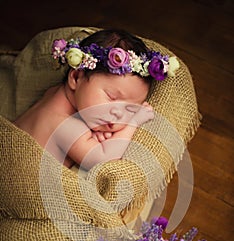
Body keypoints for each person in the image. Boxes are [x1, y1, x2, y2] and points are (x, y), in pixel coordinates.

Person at [13, 29, 179, 170]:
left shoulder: (56, 95)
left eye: (130, 109)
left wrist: (90, 134)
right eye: (111, 97)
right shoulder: (63, 125)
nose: (117, 114)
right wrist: (133, 123)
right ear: (76, 77)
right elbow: (102, 159)